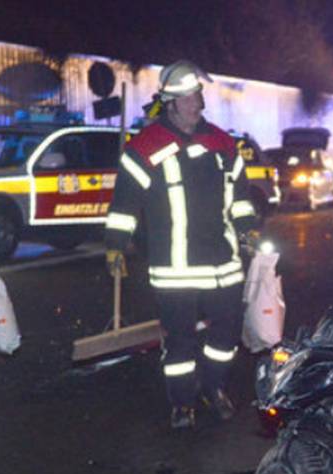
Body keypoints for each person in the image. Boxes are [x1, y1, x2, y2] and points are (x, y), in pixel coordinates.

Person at [104, 60, 260, 430]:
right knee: (180, 342)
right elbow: (125, 203)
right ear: (170, 103)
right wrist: (115, 245)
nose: (198, 104)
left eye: (199, 96)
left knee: (226, 335)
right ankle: (182, 403)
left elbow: (239, 197)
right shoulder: (145, 148)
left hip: (224, 264)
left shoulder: (222, 144)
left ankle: (214, 387)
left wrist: (248, 230)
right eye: (189, 98)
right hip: (174, 269)